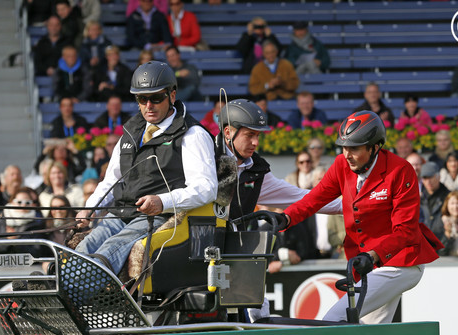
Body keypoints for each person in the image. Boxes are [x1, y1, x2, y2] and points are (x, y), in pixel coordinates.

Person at [281, 110, 441, 335]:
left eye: (354, 148)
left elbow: (406, 231)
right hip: (371, 265)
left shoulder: (401, 171)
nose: (347, 154)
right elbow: (315, 198)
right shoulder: (341, 166)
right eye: (344, 147)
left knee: (334, 321)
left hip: (401, 263)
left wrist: (373, 255)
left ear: (375, 147)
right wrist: (285, 218)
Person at [75, 61, 217, 274]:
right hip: (121, 212)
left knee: (107, 253)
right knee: (81, 249)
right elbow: (112, 180)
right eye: (142, 99)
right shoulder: (131, 131)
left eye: (156, 98)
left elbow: (207, 187)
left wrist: (162, 201)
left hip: (158, 217)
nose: (148, 105)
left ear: (172, 95)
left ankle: (78, 292)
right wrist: (90, 208)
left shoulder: (192, 134)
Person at [217, 99, 342, 223]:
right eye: (249, 135)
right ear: (228, 132)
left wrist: (351, 206)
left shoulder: (257, 172)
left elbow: (304, 198)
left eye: (258, 135)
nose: (256, 143)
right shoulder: (205, 159)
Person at [419, 162, 449, 239]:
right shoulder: (418, 198)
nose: (428, 181)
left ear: (438, 177)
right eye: (425, 178)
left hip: (444, 242)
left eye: (431, 177)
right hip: (424, 242)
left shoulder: (449, 197)